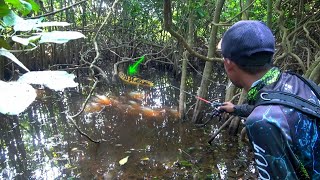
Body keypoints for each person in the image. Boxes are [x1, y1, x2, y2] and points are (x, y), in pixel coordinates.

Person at [218, 20, 320, 179]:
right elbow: (275, 107)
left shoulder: (261, 122)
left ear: (228, 64)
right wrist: (235, 109)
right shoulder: (296, 81)